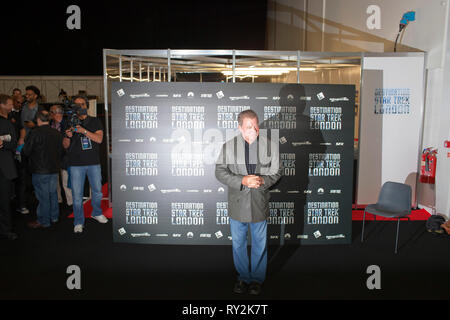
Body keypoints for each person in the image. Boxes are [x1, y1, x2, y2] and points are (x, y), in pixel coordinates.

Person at [215, 109, 282, 296]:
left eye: (255, 125)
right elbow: (219, 171)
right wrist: (242, 181)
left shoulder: (270, 146)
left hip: (259, 201)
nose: (253, 129)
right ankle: (243, 277)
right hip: (237, 202)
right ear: (239, 128)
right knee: (238, 243)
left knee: (260, 243)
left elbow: (277, 172)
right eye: (248, 126)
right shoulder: (228, 147)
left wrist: (262, 181)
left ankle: (256, 280)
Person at [63, 95, 107, 233]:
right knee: (77, 195)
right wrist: (68, 136)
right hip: (76, 164)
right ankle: (78, 221)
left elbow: (99, 139)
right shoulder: (69, 122)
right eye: (76, 105)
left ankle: (96, 212)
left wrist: (83, 131)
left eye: (82, 104)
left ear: (86, 106)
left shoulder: (95, 121)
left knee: (98, 192)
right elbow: (65, 145)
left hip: (93, 162)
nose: (80, 107)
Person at [23, 110, 63, 228]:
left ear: (38, 119)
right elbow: (61, 152)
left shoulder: (34, 133)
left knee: (43, 196)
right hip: (54, 168)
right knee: (53, 194)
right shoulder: (56, 133)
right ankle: (54, 217)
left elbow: (26, 151)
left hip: (40, 170)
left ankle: (43, 221)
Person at [17, 85, 42, 215]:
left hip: (37, 146)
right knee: (23, 176)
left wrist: (35, 125)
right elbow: (20, 125)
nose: (27, 96)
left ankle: (40, 203)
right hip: (24, 144)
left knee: (37, 175)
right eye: (26, 94)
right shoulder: (23, 107)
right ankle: (22, 204)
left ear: (35, 96)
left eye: (30, 94)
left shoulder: (41, 109)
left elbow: (45, 126)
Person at [0, 94, 18, 240]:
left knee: (5, 201)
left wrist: (4, 143)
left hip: (4, 169)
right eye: (10, 104)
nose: (12, 106)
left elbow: (13, 142)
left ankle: (5, 230)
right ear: (2, 105)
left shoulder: (9, 122)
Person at [49, 104, 72, 209]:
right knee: (54, 181)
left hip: (65, 156)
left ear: (56, 113)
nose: (50, 114)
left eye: (51, 112)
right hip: (53, 155)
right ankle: (58, 200)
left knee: (66, 181)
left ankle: (70, 202)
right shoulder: (50, 124)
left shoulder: (68, 124)